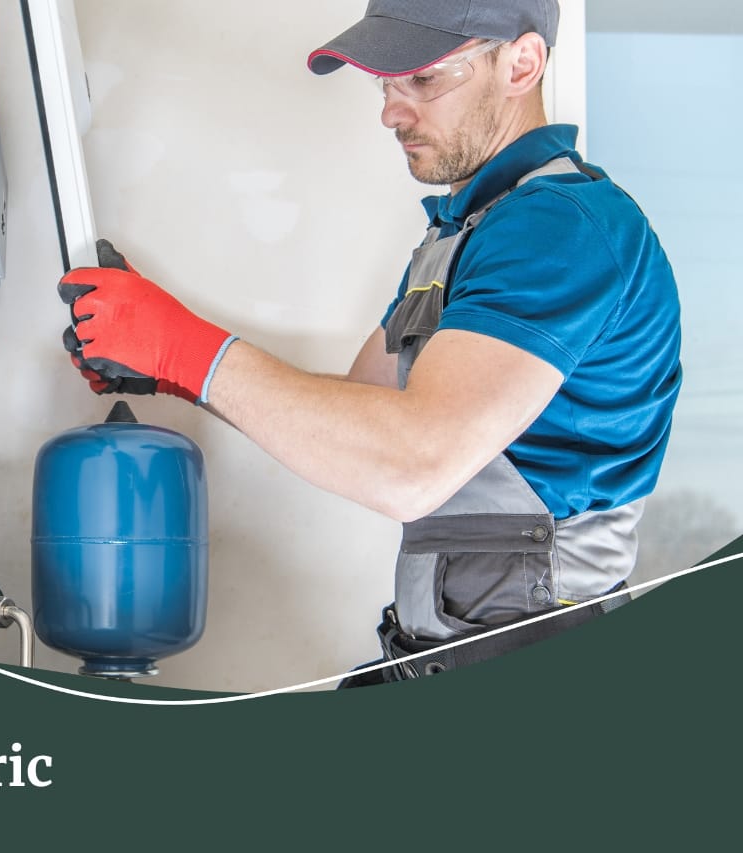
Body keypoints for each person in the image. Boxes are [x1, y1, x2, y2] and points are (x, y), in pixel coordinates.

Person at [56, 0, 682, 685]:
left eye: (423, 80)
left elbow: (408, 462)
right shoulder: (465, 234)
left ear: (521, 63)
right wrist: (165, 368)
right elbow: (357, 412)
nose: (391, 112)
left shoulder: (561, 227)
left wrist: (185, 349)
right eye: (386, 84)